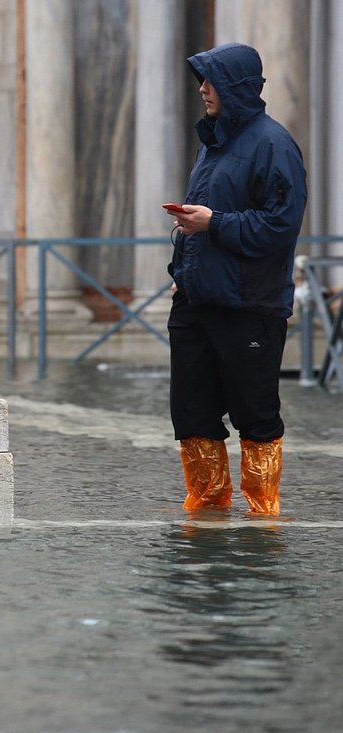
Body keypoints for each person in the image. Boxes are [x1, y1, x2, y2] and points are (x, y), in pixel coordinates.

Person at [165, 43, 307, 515]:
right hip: (195, 301)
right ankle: (205, 507)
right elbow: (206, 218)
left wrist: (214, 223)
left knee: (255, 415)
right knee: (191, 412)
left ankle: (262, 512)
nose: (203, 89)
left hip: (249, 306)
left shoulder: (274, 144)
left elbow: (280, 225)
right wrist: (180, 270)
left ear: (236, 87)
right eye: (202, 80)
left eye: (211, 81)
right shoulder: (214, 143)